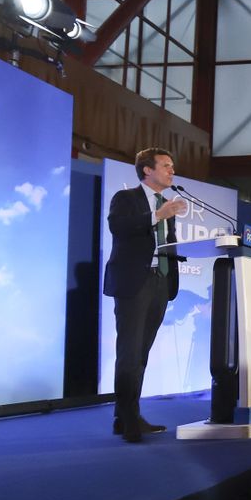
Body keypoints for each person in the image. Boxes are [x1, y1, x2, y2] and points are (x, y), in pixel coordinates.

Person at [104, 147, 188, 443]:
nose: (172, 171)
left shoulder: (166, 203)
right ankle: (129, 419)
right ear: (147, 170)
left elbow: (165, 242)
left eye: (172, 166)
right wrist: (156, 215)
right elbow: (118, 227)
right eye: (166, 165)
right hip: (134, 283)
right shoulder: (126, 198)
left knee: (141, 353)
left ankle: (126, 415)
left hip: (160, 282)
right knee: (129, 353)